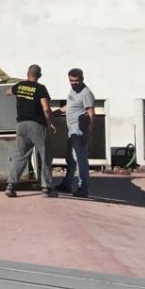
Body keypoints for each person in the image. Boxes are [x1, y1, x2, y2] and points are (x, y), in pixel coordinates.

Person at [5, 64, 56, 198]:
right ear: (39, 75)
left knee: (20, 155)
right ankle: (46, 188)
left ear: (27, 74)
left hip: (21, 125)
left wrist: (20, 90)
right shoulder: (40, 88)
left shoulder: (19, 85)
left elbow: (8, 92)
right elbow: (46, 108)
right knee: (45, 155)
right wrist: (50, 123)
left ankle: (11, 186)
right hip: (37, 125)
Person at [56, 68, 95, 198]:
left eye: (76, 81)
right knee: (71, 159)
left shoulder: (86, 93)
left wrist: (88, 133)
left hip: (80, 131)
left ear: (82, 79)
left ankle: (83, 189)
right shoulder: (73, 90)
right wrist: (56, 112)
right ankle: (66, 184)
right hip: (71, 130)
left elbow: (91, 114)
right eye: (71, 81)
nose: (73, 83)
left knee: (81, 161)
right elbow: (71, 106)